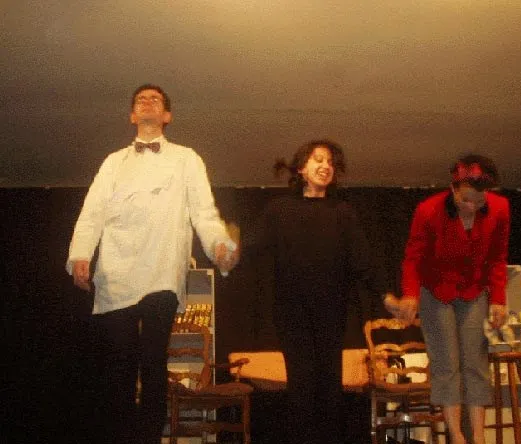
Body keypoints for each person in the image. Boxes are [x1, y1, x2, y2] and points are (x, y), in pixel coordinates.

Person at [66, 84, 239, 444]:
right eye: (140, 100)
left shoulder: (187, 159)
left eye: (155, 100)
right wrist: (81, 254)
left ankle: (147, 437)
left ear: (167, 116)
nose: (147, 103)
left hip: (162, 267)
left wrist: (219, 246)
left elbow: (204, 212)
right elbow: (92, 212)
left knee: (153, 358)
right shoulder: (113, 162)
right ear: (132, 115)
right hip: (117, 270)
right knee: (120, 363)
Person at [252, 140, 392, 444]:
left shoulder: (343, 212)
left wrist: (386, 295)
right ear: (301, 168)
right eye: (318, 159)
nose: (326, 166)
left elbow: (363, 261)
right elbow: (254, 248)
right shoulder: (279, 210)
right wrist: (226, 250)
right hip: (292, 314)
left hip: (332, 314)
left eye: (330, 162)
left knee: (330, 388)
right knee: (301, 388)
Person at [387, 154, 510, 444]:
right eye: (466, 200)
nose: (472, 207)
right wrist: (410, 295)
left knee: (475, 363)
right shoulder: (428, 210)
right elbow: (413, 258)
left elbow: (497, 258)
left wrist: (498, 299)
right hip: (436, 291)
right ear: (453, 189)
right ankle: (456, 435)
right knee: (446, 364)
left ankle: (478, 436)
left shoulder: (500, 208)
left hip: (474, 290)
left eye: (479, 201)